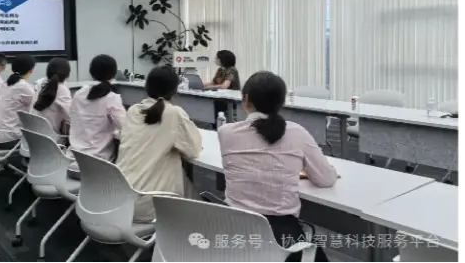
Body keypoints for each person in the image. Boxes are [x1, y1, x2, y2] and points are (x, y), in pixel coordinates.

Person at [218, 71, 337, 263]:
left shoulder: (226, 132)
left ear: (246, 99)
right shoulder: (297, 132)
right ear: (282, 102)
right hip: (281, 237)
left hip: (233, 229)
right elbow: (326, 180)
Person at [116, 66, 203, 223]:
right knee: (198, 205)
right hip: (150, 204)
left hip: (119, 197)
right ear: (175, 91)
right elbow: (193, 150)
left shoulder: (133, 111)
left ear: (146, 87)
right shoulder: (174, 113)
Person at [66, 55, 126, 177]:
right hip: (98, 168)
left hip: (71, 164)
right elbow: (126, 128)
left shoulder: (78, 94)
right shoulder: (112, 98)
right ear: (114, 73)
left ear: (91, 72)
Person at [0, 55, 36, 149]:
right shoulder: (23, 86)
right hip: (10, 139)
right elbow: (39, 106)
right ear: (31, 70)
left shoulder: (6, 83)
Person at [30, 57, 73, 141]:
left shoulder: (40, 85)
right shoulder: (62, 89)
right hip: (52, 139)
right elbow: (71, 117)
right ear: (67, 74)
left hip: (34, 138)